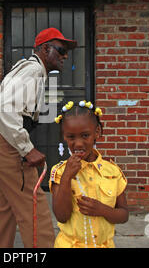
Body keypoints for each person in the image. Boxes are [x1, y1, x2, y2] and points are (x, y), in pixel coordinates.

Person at [0, 27, 77, 248]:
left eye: (66, 51)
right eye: (61, 50)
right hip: (3, 143)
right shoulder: (32, 70)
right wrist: (26, 148)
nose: (65, 56)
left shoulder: (26, 69)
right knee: (34, 206)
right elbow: (2, 108)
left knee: (5, 207)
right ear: (44, 49)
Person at [50, 100, 129, 248]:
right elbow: (61, 215)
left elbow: (124, 215)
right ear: (64, 137)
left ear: (97, 132)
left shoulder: (113, 171)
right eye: (71, 137)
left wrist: (102, 210)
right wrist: (67, 176)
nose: (78, 144)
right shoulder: (59, 172)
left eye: (85, 135)